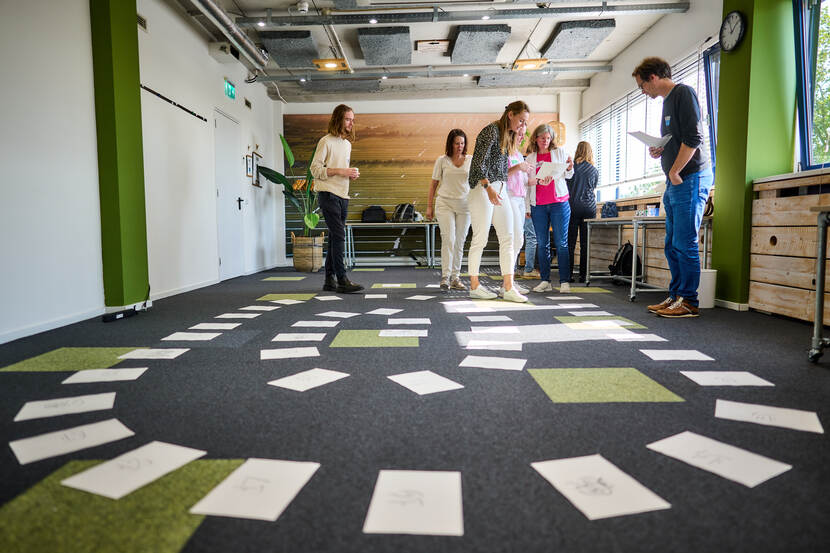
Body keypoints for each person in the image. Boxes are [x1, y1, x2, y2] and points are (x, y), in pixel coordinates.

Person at [633, 57, 713, 318]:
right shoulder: (668, 102)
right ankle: (676, 295)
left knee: (685, 241)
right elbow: (676, 140)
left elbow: (694, 137)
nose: (642, 91)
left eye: (641, 85)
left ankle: (689, 301)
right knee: (671, 243)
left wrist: (676, 170)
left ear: (653, 77)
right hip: (674, 181)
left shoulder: (683, 93)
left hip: (689, 177)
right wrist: (661, 149)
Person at [466, 101, 530, 303]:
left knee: (508, 238)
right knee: (481, 238)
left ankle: (508, 287)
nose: (522, 126)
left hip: (500, 188)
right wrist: (489, 188)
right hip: (482, 188)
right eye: (521, 120)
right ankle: (474, 286)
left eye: (525, 122)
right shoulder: (491, 131)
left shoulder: (507, 136)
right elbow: (477, 164)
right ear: (510, 114)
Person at [310, 104, 364, 294]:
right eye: (348, 119)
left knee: (335, 236)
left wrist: (350, 174)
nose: (351, 123)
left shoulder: (347, 144)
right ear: (338, 119)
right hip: (328, 194)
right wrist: (341, 171)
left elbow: (340, 169)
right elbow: (314, 169)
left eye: (352, 119)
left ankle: (328, 280)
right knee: (339, 235)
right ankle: (342, 279)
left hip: (343, 195)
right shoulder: (326, 142)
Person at [524, 124, 574, 293]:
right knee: (542, 243)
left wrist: (569, 167)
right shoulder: (530, 158)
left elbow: (568, 175)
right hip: (538, 206)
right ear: (536, 139)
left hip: (559, 203)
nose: (545, 141)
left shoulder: (560, 153)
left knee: (561, 243)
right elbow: (525, 184)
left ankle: (565, 281)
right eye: (542, 138)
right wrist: (527, 208)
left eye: (548, 138)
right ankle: (545, 280)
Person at [427, 129, 472, 291]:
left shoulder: (470, 160)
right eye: (456, 143)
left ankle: (456, 277)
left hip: (465, 206)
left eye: (462, 143)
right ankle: (445, 277)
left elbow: (477, 183)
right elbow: (433, 184)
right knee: (449, 239)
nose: (460, 146)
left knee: (460, 241)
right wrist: (429, 206)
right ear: (450, 144)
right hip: (445, 203)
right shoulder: (442, 160)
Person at [566, 141, 599, 283]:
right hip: (589, 208)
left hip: (573, 206)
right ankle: (583, 275)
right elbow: (594, 187)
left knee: (570, 243)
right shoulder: (594, 170)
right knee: (585, 243)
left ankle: (568, 275)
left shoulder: (572, 168)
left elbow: (567, 184)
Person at [505, 147, 531, 296]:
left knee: (518, 241)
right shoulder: (503, 152)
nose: (521, 137)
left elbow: (526, 181)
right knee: (512, 240)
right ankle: (507, 283)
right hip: (509, 196)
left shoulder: (520, 155)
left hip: (520, 198)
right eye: (518, 134)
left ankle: (510, 281)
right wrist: (517, 167)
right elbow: (500, 175)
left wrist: (541, 179)